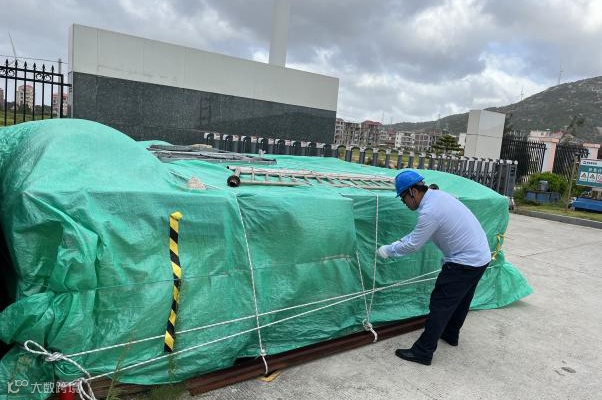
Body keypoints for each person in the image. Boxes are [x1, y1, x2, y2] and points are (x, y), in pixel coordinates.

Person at [377, 170, 491, 366]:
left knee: (440, 305)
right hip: (480, 257)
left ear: (413, 192)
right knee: (461, 301)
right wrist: (397, 243)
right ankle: (450, 335)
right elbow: (417, 235)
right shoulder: (438, 197)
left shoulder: (430, 211)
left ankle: (423, 352)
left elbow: (413, 244)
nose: (404, 203)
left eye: (403, 198)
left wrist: (388, 250)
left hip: (463, 262)